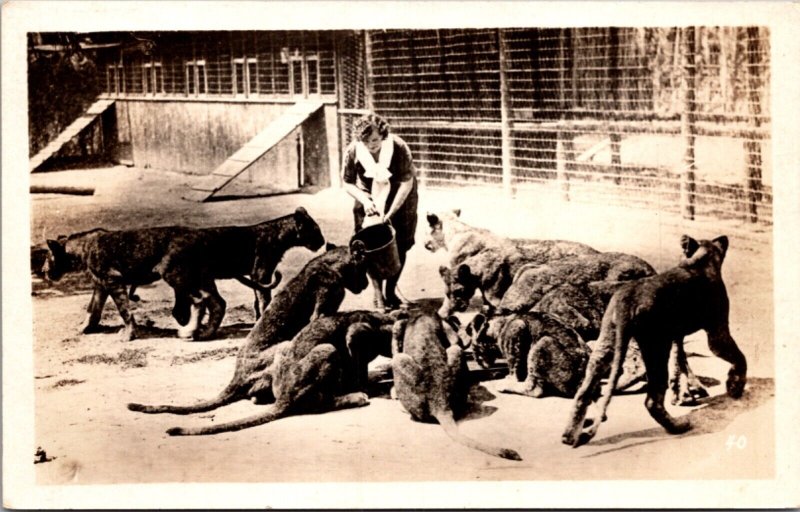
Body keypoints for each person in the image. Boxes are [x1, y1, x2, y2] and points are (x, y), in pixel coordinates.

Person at [342, 113, 419, 311]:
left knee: (400, 244)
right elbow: (348, 182)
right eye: (365, 141)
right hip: (369, 196)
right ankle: (378, 296)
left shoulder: (398, 147)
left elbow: (407, 181)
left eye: (374, 140)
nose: (370, 145)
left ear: (383, 134)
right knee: (369, 245)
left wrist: (391, 212)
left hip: (401, 196)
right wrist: (365, 201)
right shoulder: (353, 151)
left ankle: (391, 292)